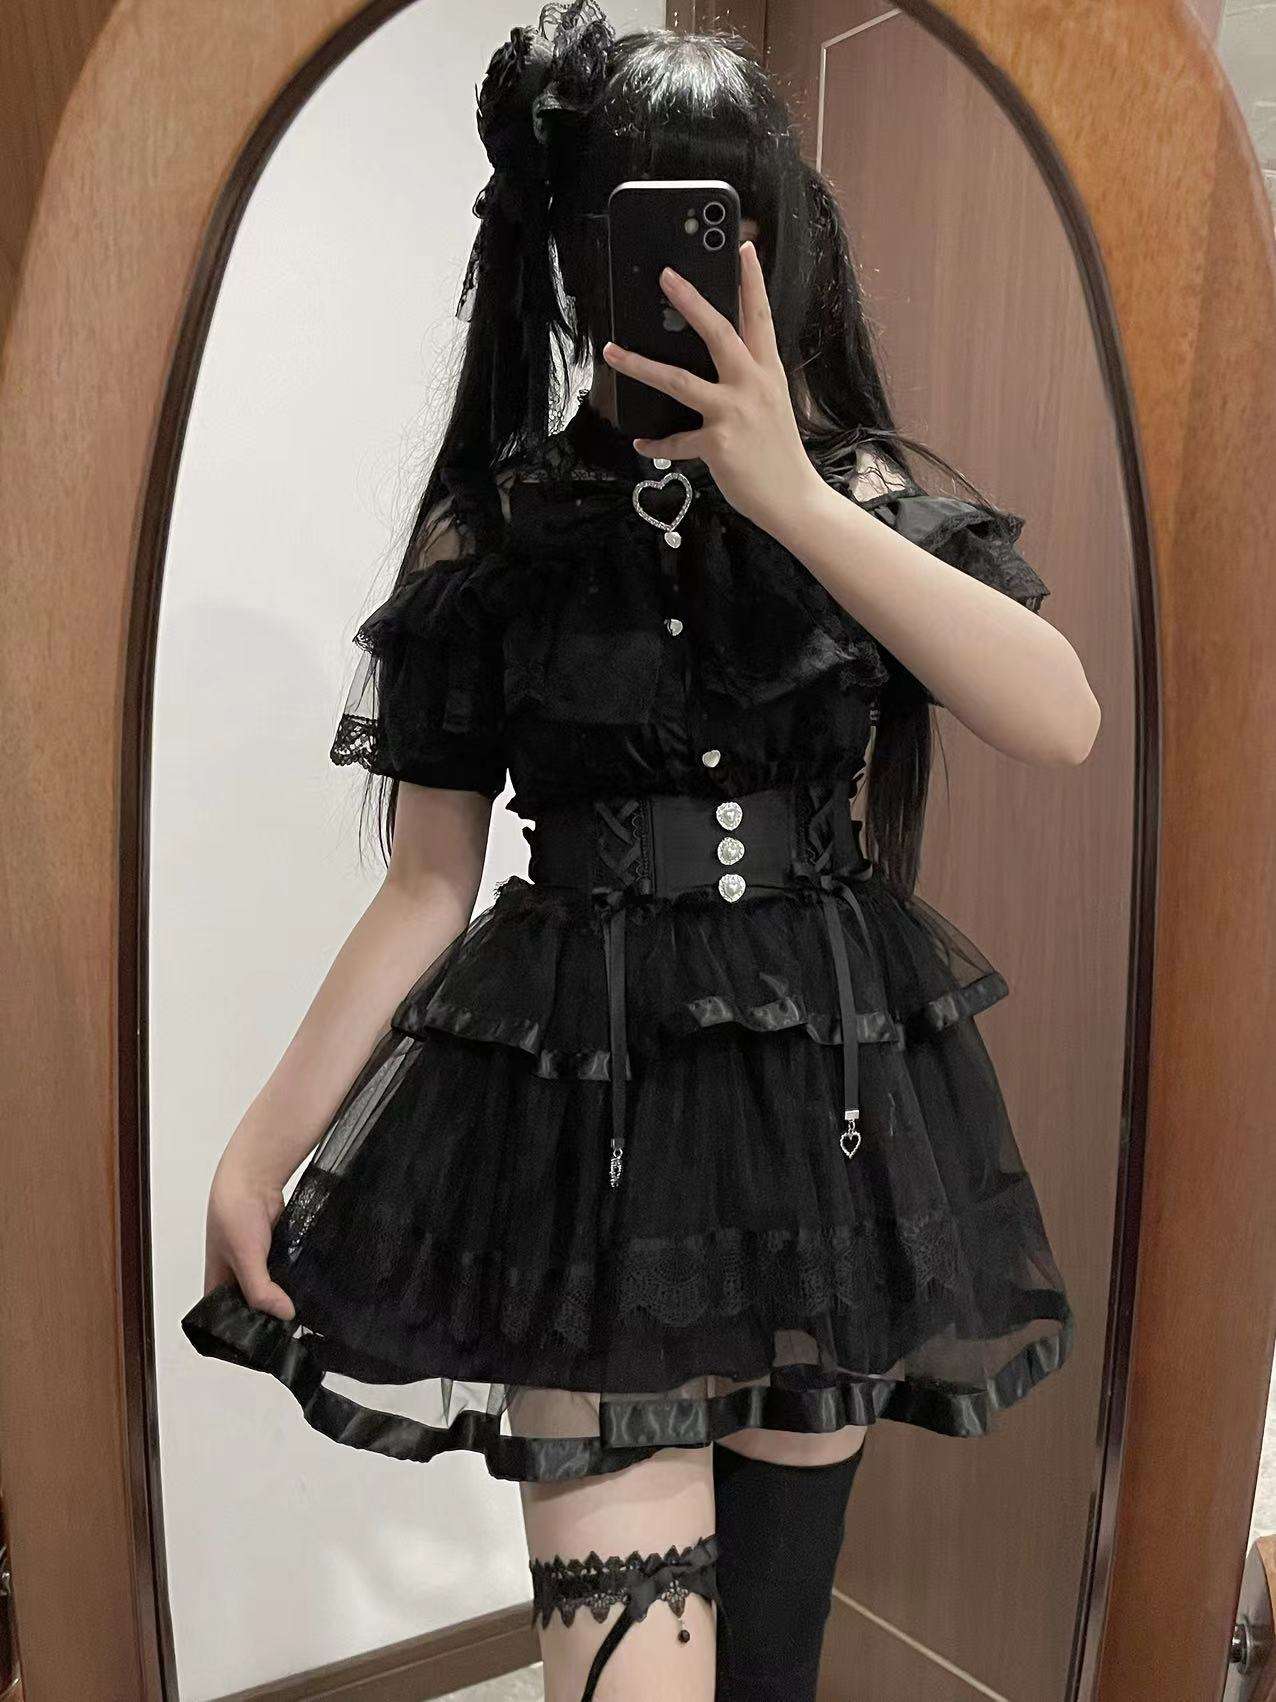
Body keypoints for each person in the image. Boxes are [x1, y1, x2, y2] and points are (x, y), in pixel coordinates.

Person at [181, 5, 1100, 1697]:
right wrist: (263, 1141)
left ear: (781, 242)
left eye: (723, 221)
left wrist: (790, 494)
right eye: (645, 227)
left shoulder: (859, 500)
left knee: (771, 1672)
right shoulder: (498, 531)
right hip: (587, 1144)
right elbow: (428, 884)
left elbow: (1062, 716)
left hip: (824, 1142)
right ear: (573, 253)